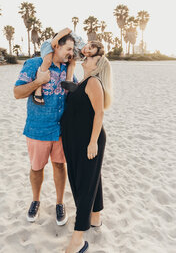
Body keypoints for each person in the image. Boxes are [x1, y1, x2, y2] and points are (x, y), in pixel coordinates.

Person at [13, 33, 75, 225]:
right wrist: (38, 82)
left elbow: (75, 92)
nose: (71, 54)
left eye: (73, 50)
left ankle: (59, 203)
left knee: (59, 165)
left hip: (61, 130)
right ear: (56, 47)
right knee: (37, 167)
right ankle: (35, 200)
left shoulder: (68, 69)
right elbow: (17, 93)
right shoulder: (34, 64)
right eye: (69, 49)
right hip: (37, 129)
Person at [60, 42, 113, 253]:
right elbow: (67, 89)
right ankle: (96, 217)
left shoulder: (94, 83)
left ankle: (77, 239)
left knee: (84, 186)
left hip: (88, 140)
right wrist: (72, 67)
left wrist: (92, 142)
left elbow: (99, 114)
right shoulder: (83, 80)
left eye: (89, 58)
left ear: (97, 64)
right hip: (75, 140)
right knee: (91, 178)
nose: (86, 58)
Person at [33, 29, 102, 105]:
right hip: (51, 43)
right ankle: (38, 90)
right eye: (89, 48)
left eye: (89, 53)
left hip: (62, 51)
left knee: (72, 62)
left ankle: (68, 81)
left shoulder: (81, 56)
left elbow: (72, 62)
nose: (87, 51)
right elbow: (67, 30)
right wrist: (56, 39)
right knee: (48, 61)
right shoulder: (79, 41)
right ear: (89, 42)